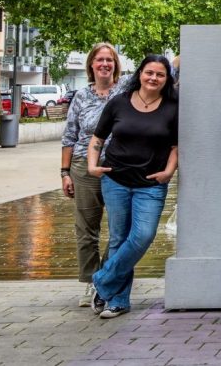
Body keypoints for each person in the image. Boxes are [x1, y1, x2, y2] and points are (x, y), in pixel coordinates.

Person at [87, 54, 178, 319]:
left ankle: (102, 281)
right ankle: (118, 301)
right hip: (115, 180)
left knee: (143, 235)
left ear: (167, 79)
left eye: (160, 74)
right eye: (149, 72)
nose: (153, 78)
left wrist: (169, 171)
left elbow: (176, 146)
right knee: (119, 238)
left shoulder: (173, 107)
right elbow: (98, 138)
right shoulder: (119, 102)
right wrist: (92, 166)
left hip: (151, 184)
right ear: (140, 74)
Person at [60, 43, 124, 309]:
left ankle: (105, 278)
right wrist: (65, 173)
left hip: (119, 166)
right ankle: (90, 280)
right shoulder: (81, 96)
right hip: (83, 166)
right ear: (91, 65)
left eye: (110, 59)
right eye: (100, 59)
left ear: (116, 65)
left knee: (121, 228)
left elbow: (164, 72)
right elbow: (69, 136)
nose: (105, 64)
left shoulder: (125, 90)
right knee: (86, 229)